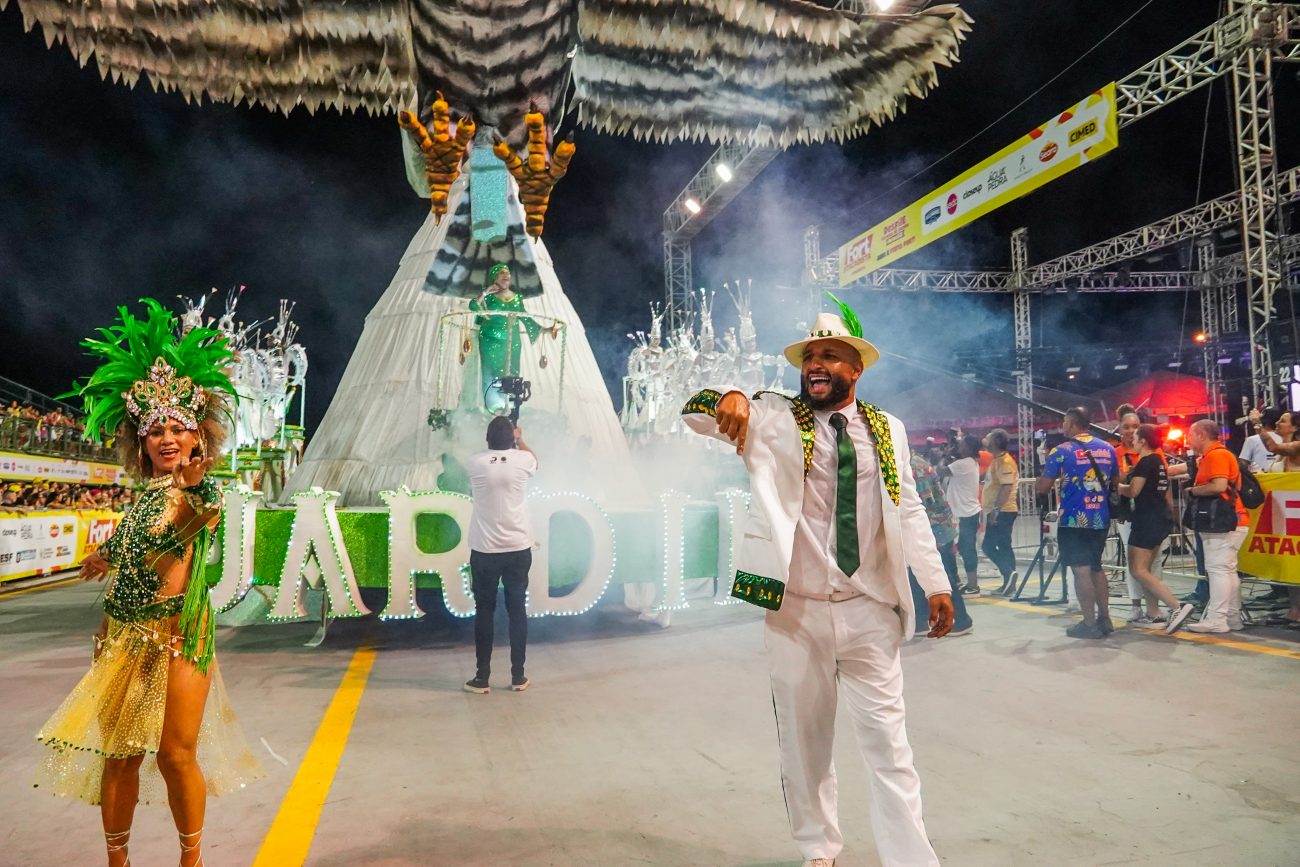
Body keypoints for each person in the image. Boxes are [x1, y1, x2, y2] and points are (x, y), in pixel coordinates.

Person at [682, 302, 953, 867]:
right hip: (796, 613)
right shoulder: (772, 416)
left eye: (831, 355)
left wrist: (936, 584)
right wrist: (726, 395)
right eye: (810, 356)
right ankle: (818, 849)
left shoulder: (887, 428)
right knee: (805, 748)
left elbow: (908, 506)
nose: (817, 364)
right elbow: (694, 413)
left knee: (890, 747)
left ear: (856, 368)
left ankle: (911, 858)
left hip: (871, 609)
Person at [35, 299, 262, 867]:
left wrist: (194, 481)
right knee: (119, 756)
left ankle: (191, 860)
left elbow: (190, 521)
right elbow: (136, 542)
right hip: (120, 637)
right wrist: (105, 555)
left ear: (197, 440)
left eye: (178, 428)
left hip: (181, 637)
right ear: (140, 443)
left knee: (175, 755)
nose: (165, 438)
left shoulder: (196, 491)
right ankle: (118, 861)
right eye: (155, 430)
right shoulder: (142, 500)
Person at [463, 415, 538, 694]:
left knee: (484, 610)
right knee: (517, 610)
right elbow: (535, 460)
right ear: (512, 438)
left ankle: (482, 677)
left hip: (485, 550)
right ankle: (518, 676)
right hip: (518, 547)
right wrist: (520, 439)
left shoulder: (475, 462)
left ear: (487, 439)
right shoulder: (523, 460)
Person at [1037, 407, 1119, 639]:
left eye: (1064, 422)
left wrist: (1037, 483)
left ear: (1072, 424)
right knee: (1096, 567)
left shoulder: (1062, 451)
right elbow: (1115, 480)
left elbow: (1043, 487)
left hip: (1073, 519)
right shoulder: (1108, 448)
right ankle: (1105, 618)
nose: (1062, 426)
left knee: (1080, 570)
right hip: (1100, 518)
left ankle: (1089, 623)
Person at [1117, 424, 1196, 634]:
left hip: (1146, 519)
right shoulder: (1159, 461)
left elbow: (1134, 491)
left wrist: (1117, 487)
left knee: (1137, 569)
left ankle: (1176, 607)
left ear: (1143, 440)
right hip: (1160, 517)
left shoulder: (1145, 462)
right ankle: (1153, 613)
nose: (1131, 440)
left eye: (1135, 437)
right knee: (1147, 570)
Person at [1184, 419, 1250, 634]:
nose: (1189, 440)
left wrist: (1193, 491)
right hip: (1232, 521)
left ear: (1202, 434)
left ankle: (1217, 619)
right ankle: (1231, 616)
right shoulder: (1216, 455)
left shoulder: (1217, 455)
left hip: (1224, 522)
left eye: (1191, 435)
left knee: (1218, 570)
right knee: (1227, 570)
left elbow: (1219, 485)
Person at [910, 450, 974, 637]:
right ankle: (920, 621)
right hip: (932, 529)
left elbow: (924, 504)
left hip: (935, 530)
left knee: (943, 577)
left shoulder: (915, 468)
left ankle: (962, 620)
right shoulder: (915, 462)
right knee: (916, 575)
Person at [469, 263, 541, 413]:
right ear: (494, 278)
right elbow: (473, 305)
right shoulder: (489, 298)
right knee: (489, 375)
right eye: (501, 273)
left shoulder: (517, 298)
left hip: (512, 340)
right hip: (489, 339)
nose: (506, 275)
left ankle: (511, 408)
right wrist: (485, 293)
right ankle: (493, 409)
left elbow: (526, 317)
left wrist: (542, 329)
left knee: (512, 373)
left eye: (507, 272)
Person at [938, 434, 982, 593]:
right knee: (960, 547)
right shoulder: (969, 463)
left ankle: (972, 584)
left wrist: (944, 456)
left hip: (965, 513)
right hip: (965, 512)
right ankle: (963, 581)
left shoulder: (963, 463)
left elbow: (940, 471)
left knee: (966, 548)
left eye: (961, 444)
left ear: (968, 448)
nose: (958, 447)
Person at [981, 428, 1019, 595]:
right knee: (1003, 546)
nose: (985, 442)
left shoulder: (1004, 462)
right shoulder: (997, 460)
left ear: (996, 442)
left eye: (988, 439)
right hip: (998, 511)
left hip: (1003, 511)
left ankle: (1009, 573)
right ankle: (1009, 582)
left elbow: (1006, 486)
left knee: (988, 546)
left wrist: (996, 509)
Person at [1239, 407, 1285, 471]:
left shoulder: (1252, 440)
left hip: (1259, 479)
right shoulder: (1286, 438)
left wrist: (1256, 422)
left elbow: (1243, 464)